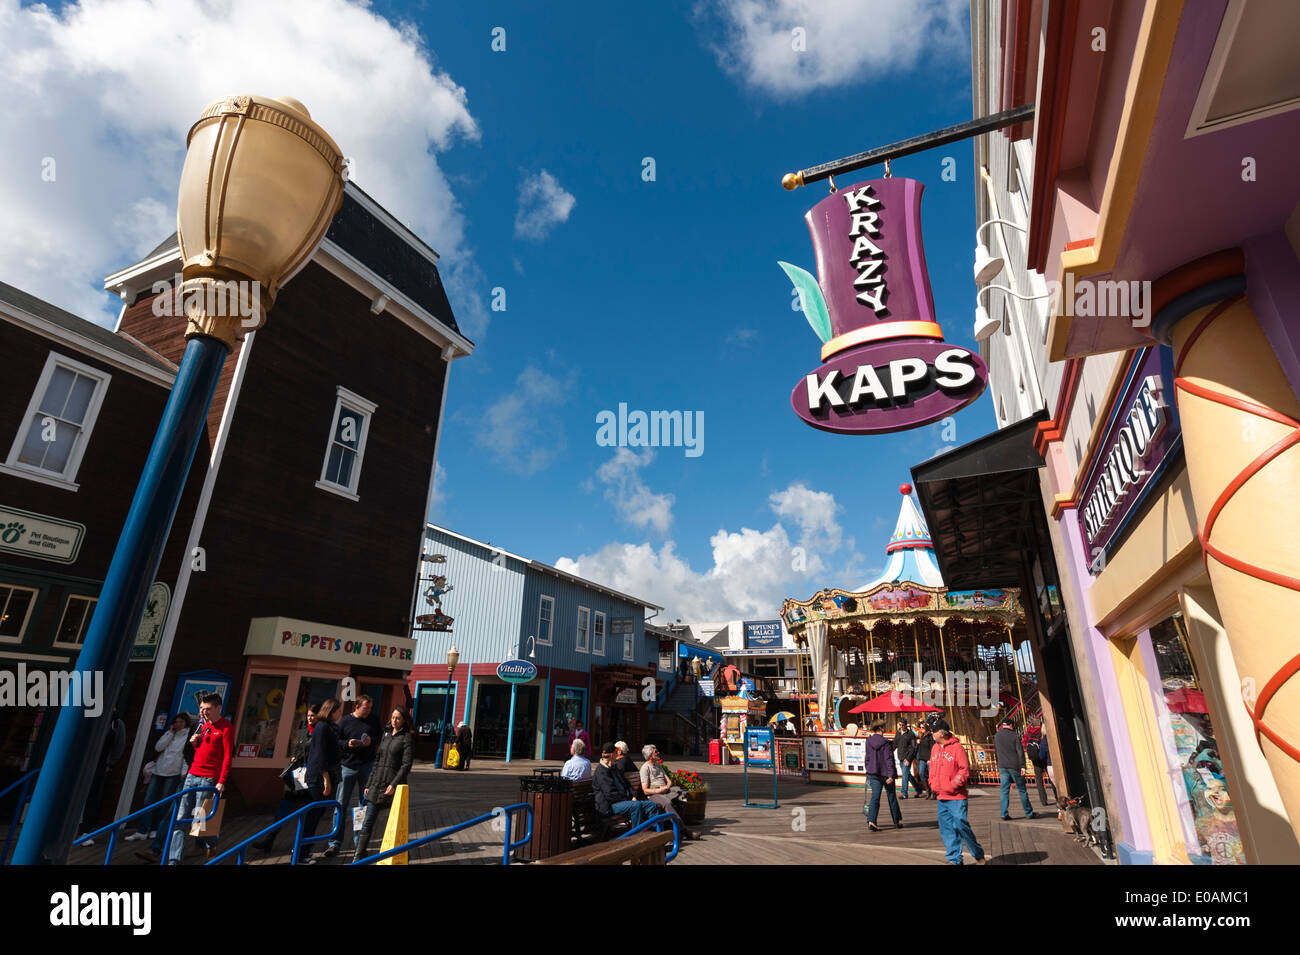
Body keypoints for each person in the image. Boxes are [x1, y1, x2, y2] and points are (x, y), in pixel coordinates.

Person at [165, 693, 233, 865]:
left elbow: (227, 756)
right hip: (192, 774)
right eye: (202, 708)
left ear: (218, 708)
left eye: (207, 709)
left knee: (200, 821)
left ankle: (212, 843)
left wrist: (221, 781)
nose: (203, 712)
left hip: (208, 778)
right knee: (180, 818)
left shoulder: (225, 727)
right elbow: (201, 752)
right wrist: (196, 743)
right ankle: (174, 860)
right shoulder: (202, 726)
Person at [252, 703, 318, 853]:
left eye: (313, 716)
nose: (309, 718)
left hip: (310, 775)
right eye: (308, 715)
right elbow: (296, 749)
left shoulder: (320, 733)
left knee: (306, 812)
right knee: (283, 806)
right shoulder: (302, 732)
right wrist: (294, 756)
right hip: (297, 773)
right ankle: (269, 840)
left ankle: (302, 845)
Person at [353, 706, 415, 861]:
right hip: (377, 783)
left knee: (396, 824)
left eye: (398, 718)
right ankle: (358, 856)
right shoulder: (386, 734)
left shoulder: (406, 737)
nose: (394, 721)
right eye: (393, 717)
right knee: (367, 823)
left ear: (404, 720)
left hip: (393, 785)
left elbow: (406, 765)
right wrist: (368, 783)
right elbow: (377, 761)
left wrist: (394, 784)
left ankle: (404, 855)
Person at [127, 713, 192, 843]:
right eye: (176, 722)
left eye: (181, 722)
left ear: (186, 723)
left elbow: (186, 756)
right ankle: (142, 830)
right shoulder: (170, 734)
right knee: (149, 800)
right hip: (159, 770)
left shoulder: (187, 736)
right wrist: (169, 733)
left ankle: (156, 829)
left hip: (173, 772)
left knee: (164, 802)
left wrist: (183, 773)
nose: (178, 724)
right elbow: (158, 747)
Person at [329, 695, 382, 856]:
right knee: (340, 805)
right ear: (356, 707)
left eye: (370, 708)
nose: (368, 711)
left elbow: (379, 737)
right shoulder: (345, 721)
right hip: (348, 766)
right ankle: (334, 843)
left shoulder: (373, 720)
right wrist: (347, 744)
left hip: (367, 765)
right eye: (366, 708)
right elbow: (336, 741)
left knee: (363, 806)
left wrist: (370, 742)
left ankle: (359, 842)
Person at [928, 720, 986, 865]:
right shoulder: (934, 748)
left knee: (961, 825)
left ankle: (977, 853)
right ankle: (954, 859)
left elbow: (964, 769)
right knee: (947, 829)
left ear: (941, 733)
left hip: (956, 796)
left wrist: (954, 783)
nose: (932, 733)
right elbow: (932, 767)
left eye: (934, 731)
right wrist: (932, 781)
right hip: (941, 795)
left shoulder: (957, 748)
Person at [300, 697, 342, 863]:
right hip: (317, 777)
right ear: (331, 711)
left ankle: (305, 849)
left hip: (327, 774)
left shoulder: (332, 728)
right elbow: (319, 755)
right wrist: (326, 779)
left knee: (317, 814)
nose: (340, 714)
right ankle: (301, 852)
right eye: (338, 711)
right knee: (312, 814)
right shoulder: (322, 727)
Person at [593, 742, 660, 827]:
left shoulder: (614, 767)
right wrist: (627, 799)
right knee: (635, 806)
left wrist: (633, 796)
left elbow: (627, 784)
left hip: (622, 801)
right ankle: (637, 836)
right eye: (615, 752)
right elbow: (610, 794)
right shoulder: (601, 771)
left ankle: (656, 833)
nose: (617, 755)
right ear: (612, 754)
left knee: (652, 805)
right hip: (609, 806)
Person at [639, 744, 697, 839]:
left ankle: (677, 825)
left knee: (682, 794)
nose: (658, 753)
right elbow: (645, 790)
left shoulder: (658, 766)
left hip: (665, 790)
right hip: (654, 794)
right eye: (656, 752)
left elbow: (668, 780)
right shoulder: (645, 768)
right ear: (650, 755)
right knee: (667, 802)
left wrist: (667, 786)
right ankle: (683, 830)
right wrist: (659, 790)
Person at [863, 721, 902, 831]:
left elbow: (867, 758)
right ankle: (896, 821)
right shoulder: (885, 743)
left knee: (875, 796)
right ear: (880, 728)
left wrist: (868, 770)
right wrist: (890, 774)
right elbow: (888, 759)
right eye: (884, 727)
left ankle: (872, 821)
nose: (885, 728)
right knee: (891, 796)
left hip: (872, 772)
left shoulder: (869, 741)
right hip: (885, 773)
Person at [995, 718, 1036, 820]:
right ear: (1010, 725)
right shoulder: (1014, 736)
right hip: (1014, 766)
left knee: (1004, 790)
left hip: (1002, 766)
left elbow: (996, 751)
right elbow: (1020, 752)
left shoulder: (997, 736)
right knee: (1022, 790)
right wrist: (1023, 766)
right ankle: (1029, 813)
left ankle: (1003, 813)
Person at [1023, 718, 1051, 807]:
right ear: (1040, 724)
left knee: (1039, 780)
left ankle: (1043, 800)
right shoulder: (1043, 731)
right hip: (1045, 758)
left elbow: (1024, 742)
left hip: (1035, 759)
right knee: (1051, 778)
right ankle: (1057, 797)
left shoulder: (1029, 732)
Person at [895, 720, 920, 799]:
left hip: (907, 757)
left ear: (906, 725)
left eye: (902, 725)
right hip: (900, 756)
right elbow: (895, 744)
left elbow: (913, 747)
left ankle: (904, 793)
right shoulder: (898, 733)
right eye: (900, 725)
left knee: (905, 775)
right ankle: (918, 789)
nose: (901, 727)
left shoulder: (911, 734)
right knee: (908, 775)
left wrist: (908, 759)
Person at [914, 726, 936, 798]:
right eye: (921, 727)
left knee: (931, 775)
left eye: (923, 727)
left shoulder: (930, 737)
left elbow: (932, 748)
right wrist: (918, 743)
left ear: (926, 728)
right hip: (922, 757)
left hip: (929, 758)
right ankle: (927, 790)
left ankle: (933, 792)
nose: (921, 728)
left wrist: (930, 758)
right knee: (921, 773)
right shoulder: (922, 736)